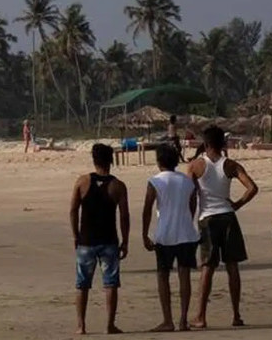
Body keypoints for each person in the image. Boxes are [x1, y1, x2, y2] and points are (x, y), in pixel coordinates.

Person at [187, 124, 257, 328]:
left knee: (207, 267)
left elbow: (192, 197)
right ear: (222, 144)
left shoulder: (195, 166)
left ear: (206, 144)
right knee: (232, 266)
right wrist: (237, 204)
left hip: (207, 218)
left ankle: (201, 316)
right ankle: (236, 315)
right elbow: (252, 188)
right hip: (227, 216)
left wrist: (190, 220)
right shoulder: (231, 165)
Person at [70, 142, 129, 336]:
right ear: (111, 160)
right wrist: (125, 240)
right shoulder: (118, 186)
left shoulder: (82, 182)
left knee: (82, 284)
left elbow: (73, 210)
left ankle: (81, 326)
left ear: (94, 160)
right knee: (110, 283)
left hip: (86, 241)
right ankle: (110, 325)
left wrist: (75, 235)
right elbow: (124, 216)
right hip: (109, 241)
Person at [143, 143, 200, 332]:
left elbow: (147, 209)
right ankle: (183, 319)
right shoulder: (187, 181)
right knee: (185, 276)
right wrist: (186, 220)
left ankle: (168, 319)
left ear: (159, 161)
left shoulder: (155, 181)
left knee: (163, 276)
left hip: (165, 234)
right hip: (186, 233)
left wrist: (144, 234)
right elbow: (193, 204)